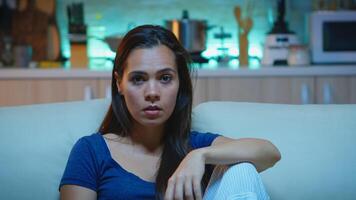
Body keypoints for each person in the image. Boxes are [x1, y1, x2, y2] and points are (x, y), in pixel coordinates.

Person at [59, 25, 281, 200]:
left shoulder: (194, 146)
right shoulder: (91, 151)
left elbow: (269, 153)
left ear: (179, 84)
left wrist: (199, 156)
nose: (153, 92)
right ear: (119, 83)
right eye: (138, 79)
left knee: (241, 170)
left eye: (165, 78)